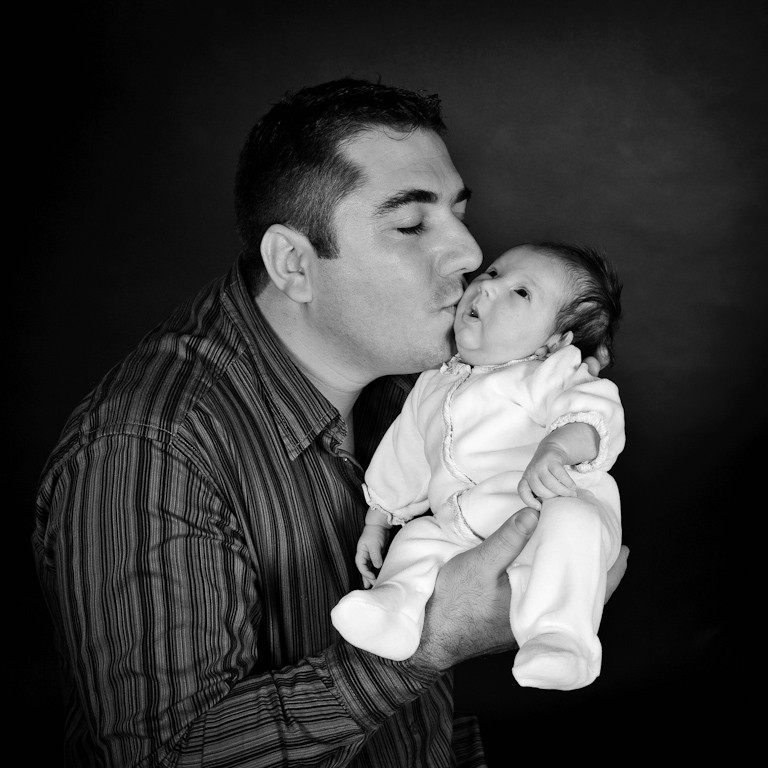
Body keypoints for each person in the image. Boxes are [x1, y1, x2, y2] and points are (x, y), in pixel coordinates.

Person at [32, 78, 628, 767]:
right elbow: (162, 757)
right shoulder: (145, 453)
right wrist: (432, 640)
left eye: (458, 213)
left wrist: (562, 379)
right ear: (294, 264)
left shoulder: (419, 372)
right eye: (412, 225)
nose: (470, 254)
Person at [331, 243, 624, 691]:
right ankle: (394, 610)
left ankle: (560, 639)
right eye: (493, 272)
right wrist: (379, 519)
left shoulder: (550, 373)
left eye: (521, 292)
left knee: (573, 523)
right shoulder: (433, 382)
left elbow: (592, 413)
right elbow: (406, 453)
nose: (487, 287)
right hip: (463, 524)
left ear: (556, 341)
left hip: (544, 507)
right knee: (417, 539)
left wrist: (557, 449)